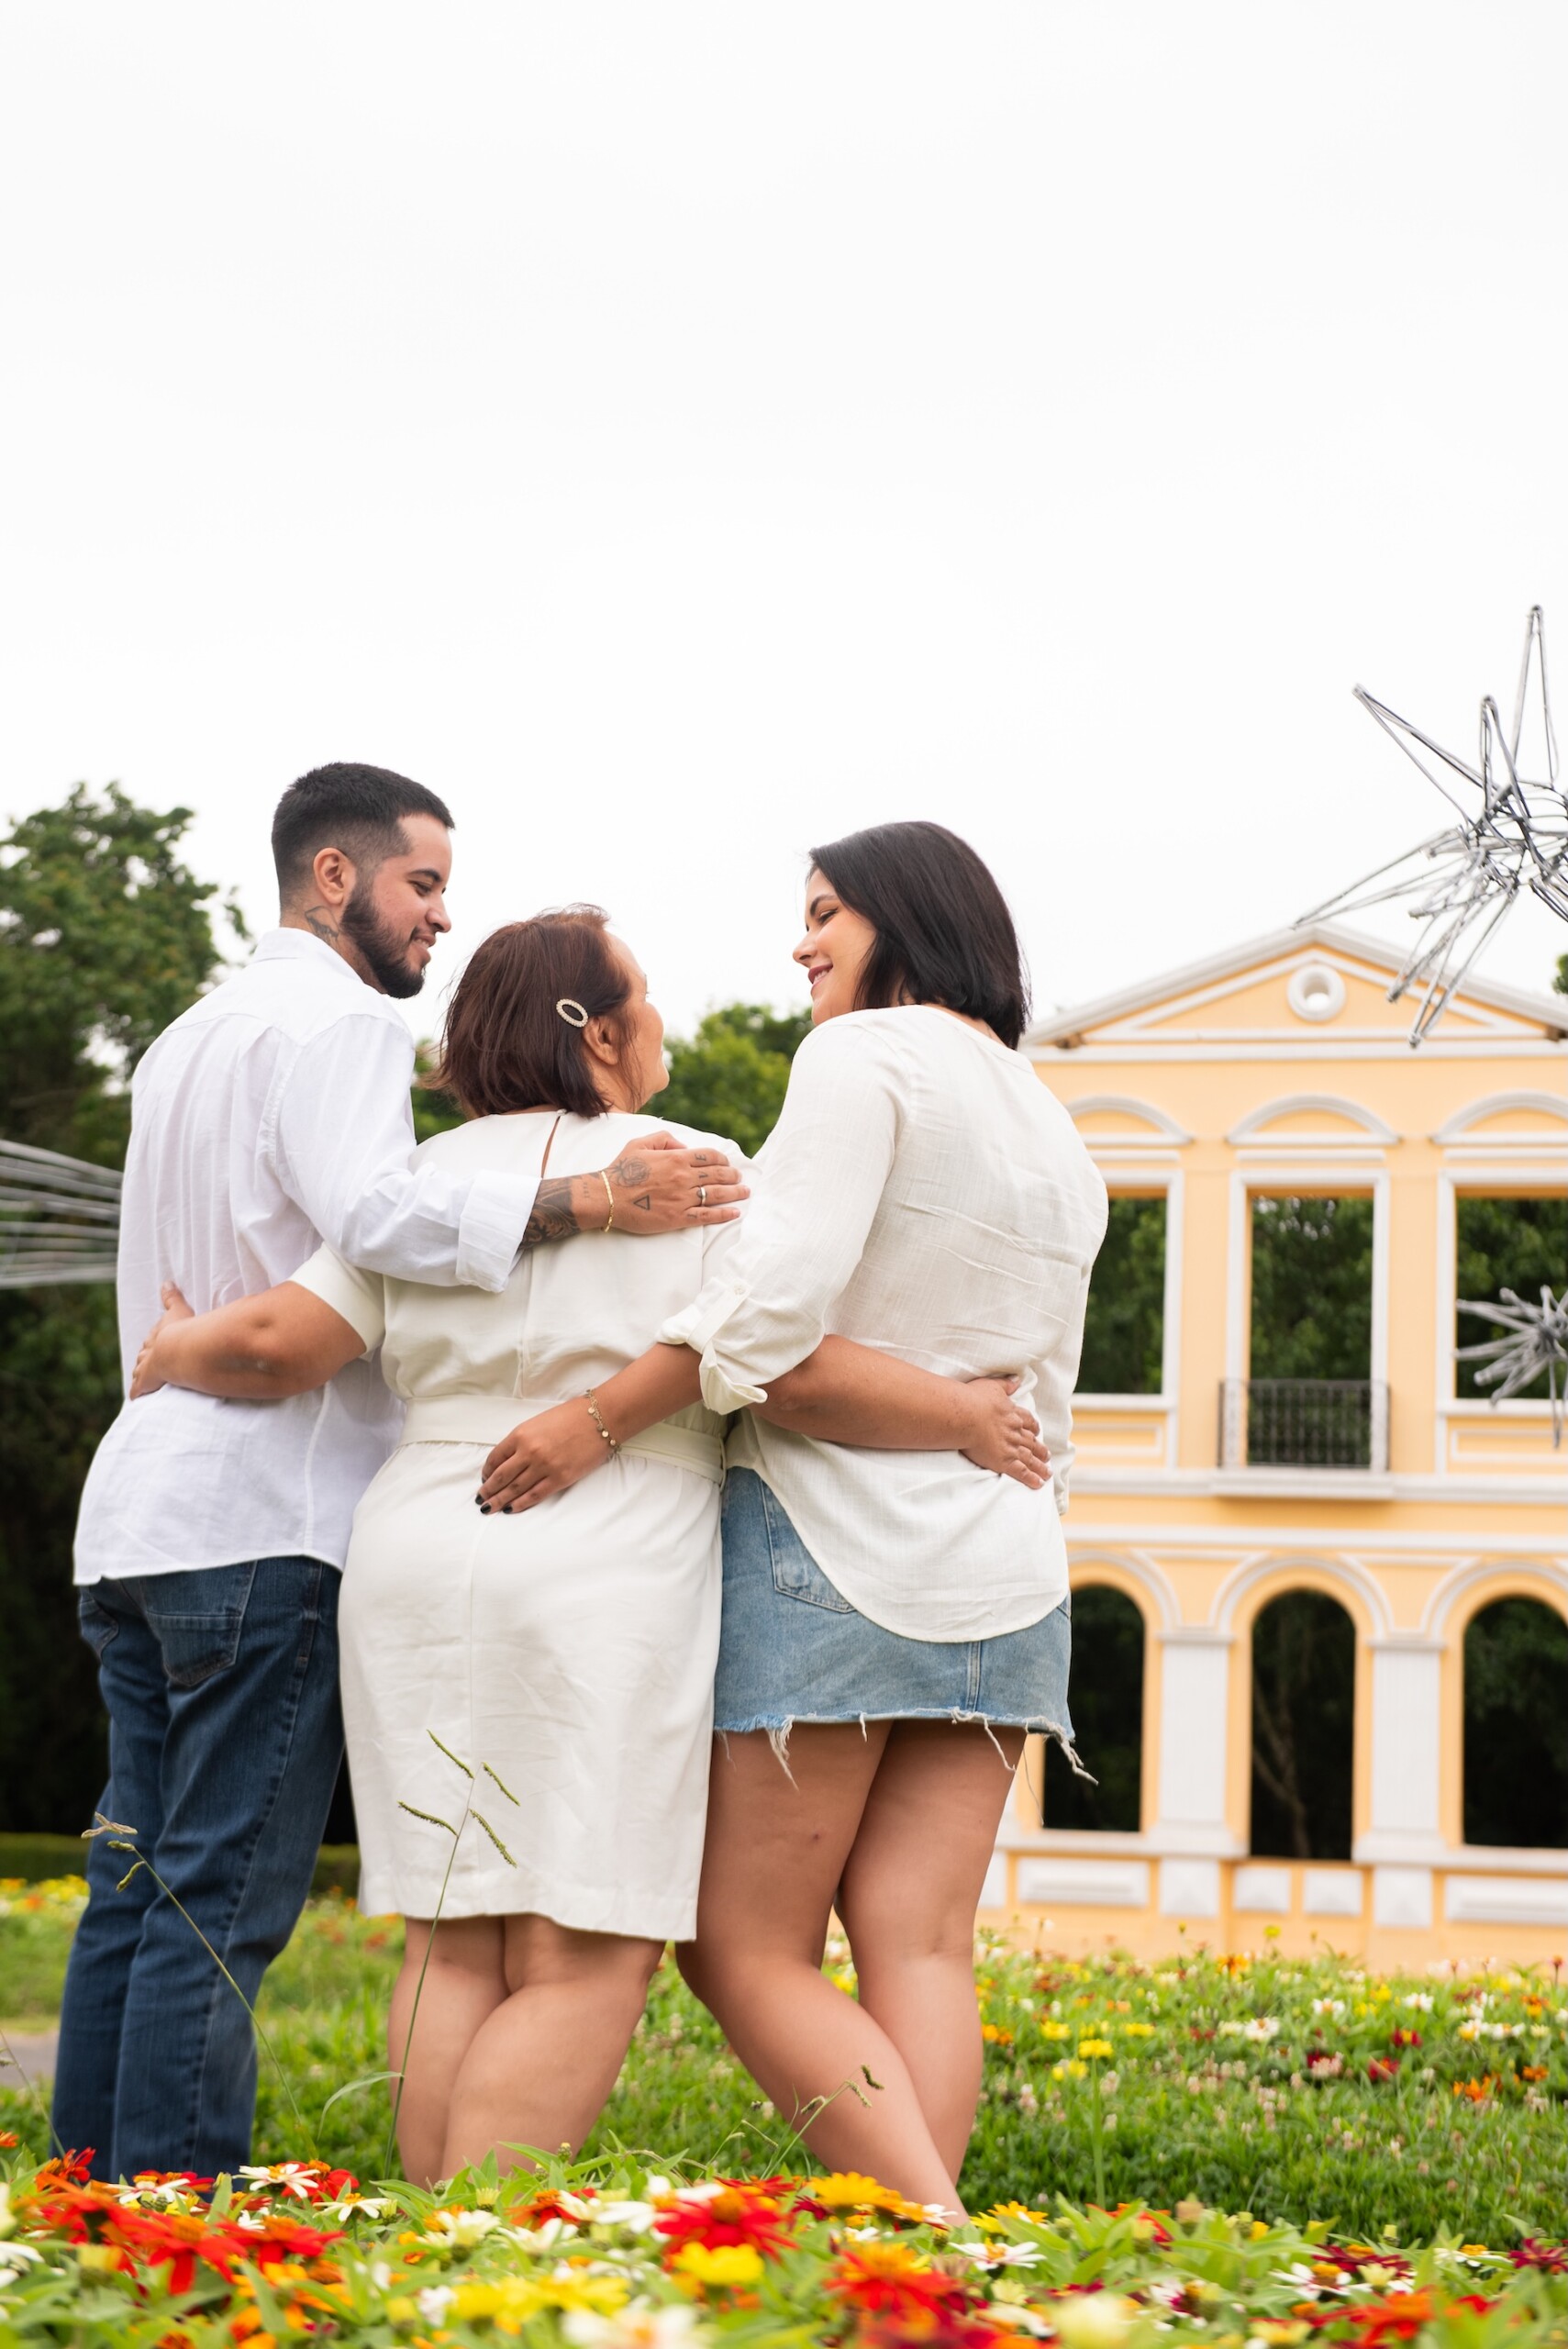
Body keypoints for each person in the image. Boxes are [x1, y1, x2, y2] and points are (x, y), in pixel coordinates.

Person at [130, 906, 1050, 2183]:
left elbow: (285, 1341)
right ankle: (484, 2246)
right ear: (598, 1033)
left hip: (417, 1549)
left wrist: (171, 1344)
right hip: (608, 1555)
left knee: (450, 1939)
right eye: (644, 994)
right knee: (586, 1948)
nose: (660, 1017)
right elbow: (776, 1345)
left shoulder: (430, 1180)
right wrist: (962, 1411)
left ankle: (430, 2243)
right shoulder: (699, 1170)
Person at [56, 767, 745, 2186]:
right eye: (422, 883)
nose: (438, 915)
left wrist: (170, 1347)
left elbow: (283, 1305)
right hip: (272, 1515)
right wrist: (591, 1199)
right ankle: (172, 2216)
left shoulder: (186, 1038)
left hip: (144, 1511)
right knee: (218, 1899)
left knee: (138, 1879)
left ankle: (85, 2199)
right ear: (335, 876)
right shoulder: (351, 1031)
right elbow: (372, 1229)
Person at [472, 822, 1107, 2214]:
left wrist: (597, 1420)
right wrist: (964, 1427)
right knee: (922, 1949)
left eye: (826, 913)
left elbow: (766, 1327)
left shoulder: (861, 1057)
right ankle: (933, 2273)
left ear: (905, 919)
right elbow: (1035, 1399)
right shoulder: (1049, 1118)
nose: (802, 942)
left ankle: (933, 2235)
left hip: (835, 1546)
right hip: (1011, 1567)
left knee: (741, 1947)